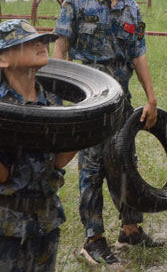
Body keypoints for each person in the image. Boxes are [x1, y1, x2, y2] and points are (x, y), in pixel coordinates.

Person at [53, 0, 161, 266]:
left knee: (126, 161)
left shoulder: (131, 8)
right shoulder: (76, 3)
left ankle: (130, 230)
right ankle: (93, 238)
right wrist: (60, 100)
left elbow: (138, 53)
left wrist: (151, 96)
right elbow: (61, 49)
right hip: (89, 104)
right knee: (92, 168)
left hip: (121, 104)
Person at [0, 20, 75, 272]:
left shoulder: (52, 101)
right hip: (6, 223)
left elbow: (58, 161)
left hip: (46, 218)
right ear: (3, 60)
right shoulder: (2, 108)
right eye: (27, 42)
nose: (40, 44)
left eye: (40, 40)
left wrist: (89, 129)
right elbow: (2, 175)